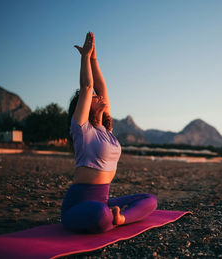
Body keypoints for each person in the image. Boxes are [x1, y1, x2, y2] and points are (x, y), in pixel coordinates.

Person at [61, 32, 157, 233]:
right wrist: (85, 58)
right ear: (85, 106)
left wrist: (94, 58)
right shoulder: (81, 130)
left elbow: (101, 88)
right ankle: (110, 218)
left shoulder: (106, 130)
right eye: (94, 98)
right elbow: (88, 87)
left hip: (102, 201)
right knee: (101, 215)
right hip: (78, 205)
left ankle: (120, 218)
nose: (99, 96)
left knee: (150, 200)